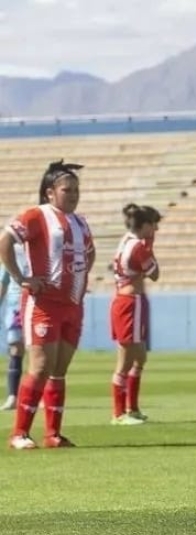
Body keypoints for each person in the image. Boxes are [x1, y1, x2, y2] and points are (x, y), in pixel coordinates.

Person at [1, 160, 95, 450]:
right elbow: (5, 241)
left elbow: (89, 254)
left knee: (58, 370)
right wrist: (22, 277)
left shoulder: (80, 222)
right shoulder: (36, 215)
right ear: (50, 192)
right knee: (40, 367)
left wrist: (79, 279)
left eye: (76, 189)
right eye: (68, 189)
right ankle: (19, 434)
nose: (74, 194)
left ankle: (53, 434)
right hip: (44, 304)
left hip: (72, 306)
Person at [109, 204, 161, 425]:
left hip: (126, 300)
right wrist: (149, 246)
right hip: (130, 302)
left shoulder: (126, 241)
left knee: (140, 358)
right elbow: (155, 273)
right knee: (126, 360)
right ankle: (119, 413)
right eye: (154, 225)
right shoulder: (138, 247)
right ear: (146, 225)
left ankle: (132, 407)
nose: (156, 229)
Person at [0, 243, 28, 410]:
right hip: (15, 307)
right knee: (16, 349)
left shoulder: (39, 250)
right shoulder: (10, 254)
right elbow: (3, 281)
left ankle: (37, 396)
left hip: (36, 305)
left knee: (38, 351)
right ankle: (13, 397)